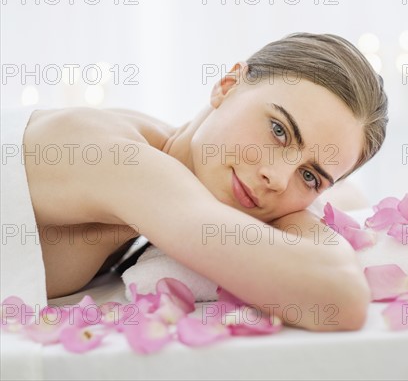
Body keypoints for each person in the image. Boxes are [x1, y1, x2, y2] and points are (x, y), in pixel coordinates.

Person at [22, 33, 388, 331]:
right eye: (278, 130)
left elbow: (349, 196)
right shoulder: (112, 153)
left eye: (309, 176)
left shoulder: (169, 167)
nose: (276, 178)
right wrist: (301, 217)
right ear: (227, 85)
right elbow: (342, 297)